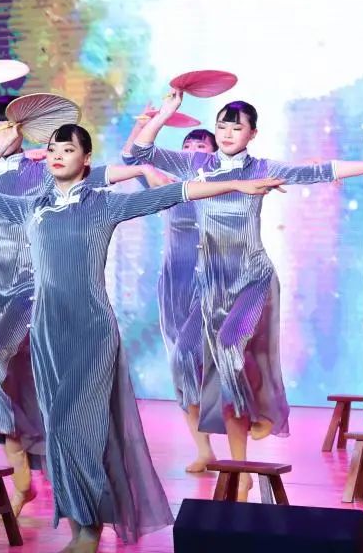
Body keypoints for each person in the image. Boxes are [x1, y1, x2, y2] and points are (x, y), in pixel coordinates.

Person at [0, 122, 284, 552]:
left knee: (82, 427)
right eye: (53, 148)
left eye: (68, 149)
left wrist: (239, 184)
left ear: (86, 160)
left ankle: (91, 524)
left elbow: (177, 193)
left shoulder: (103, 205)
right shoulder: (32, 207)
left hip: (92, 332)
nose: (57, 154)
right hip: (46, 335)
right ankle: (79, 523)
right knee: (58, 430)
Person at [0, 62, 167, 510]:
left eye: (7, 127)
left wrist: (141, 170)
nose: (0, 133)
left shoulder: (42, 170)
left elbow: (102, 174)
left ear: (23, 130)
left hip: (32, 285)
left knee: (0, 359)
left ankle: (67, 461)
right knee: (5, 378)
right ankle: (23, 476)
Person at [132, 92, 363, 499]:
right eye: (222, 126)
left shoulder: (264, 168)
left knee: (229, 350)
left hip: (252, 280)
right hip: (210, 285)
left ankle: (261, 412)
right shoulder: (196, 166)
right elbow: (140, 152)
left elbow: (321, 170)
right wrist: (164, 114)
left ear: (252, 133)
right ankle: (240, 467)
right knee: (202, 364)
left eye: (237, 127)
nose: (227, 133)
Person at [122, 110, 218, 473]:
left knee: (191, 359)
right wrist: (142, 123)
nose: (192, 151)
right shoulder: (167, 185)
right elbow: (131, 159)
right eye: (187, 145)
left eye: (201, 146)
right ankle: (204, 450)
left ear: (213, 154)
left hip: (210, 282)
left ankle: (233, 436)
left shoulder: (222, 184)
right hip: (173, 284)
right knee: (181, 369)